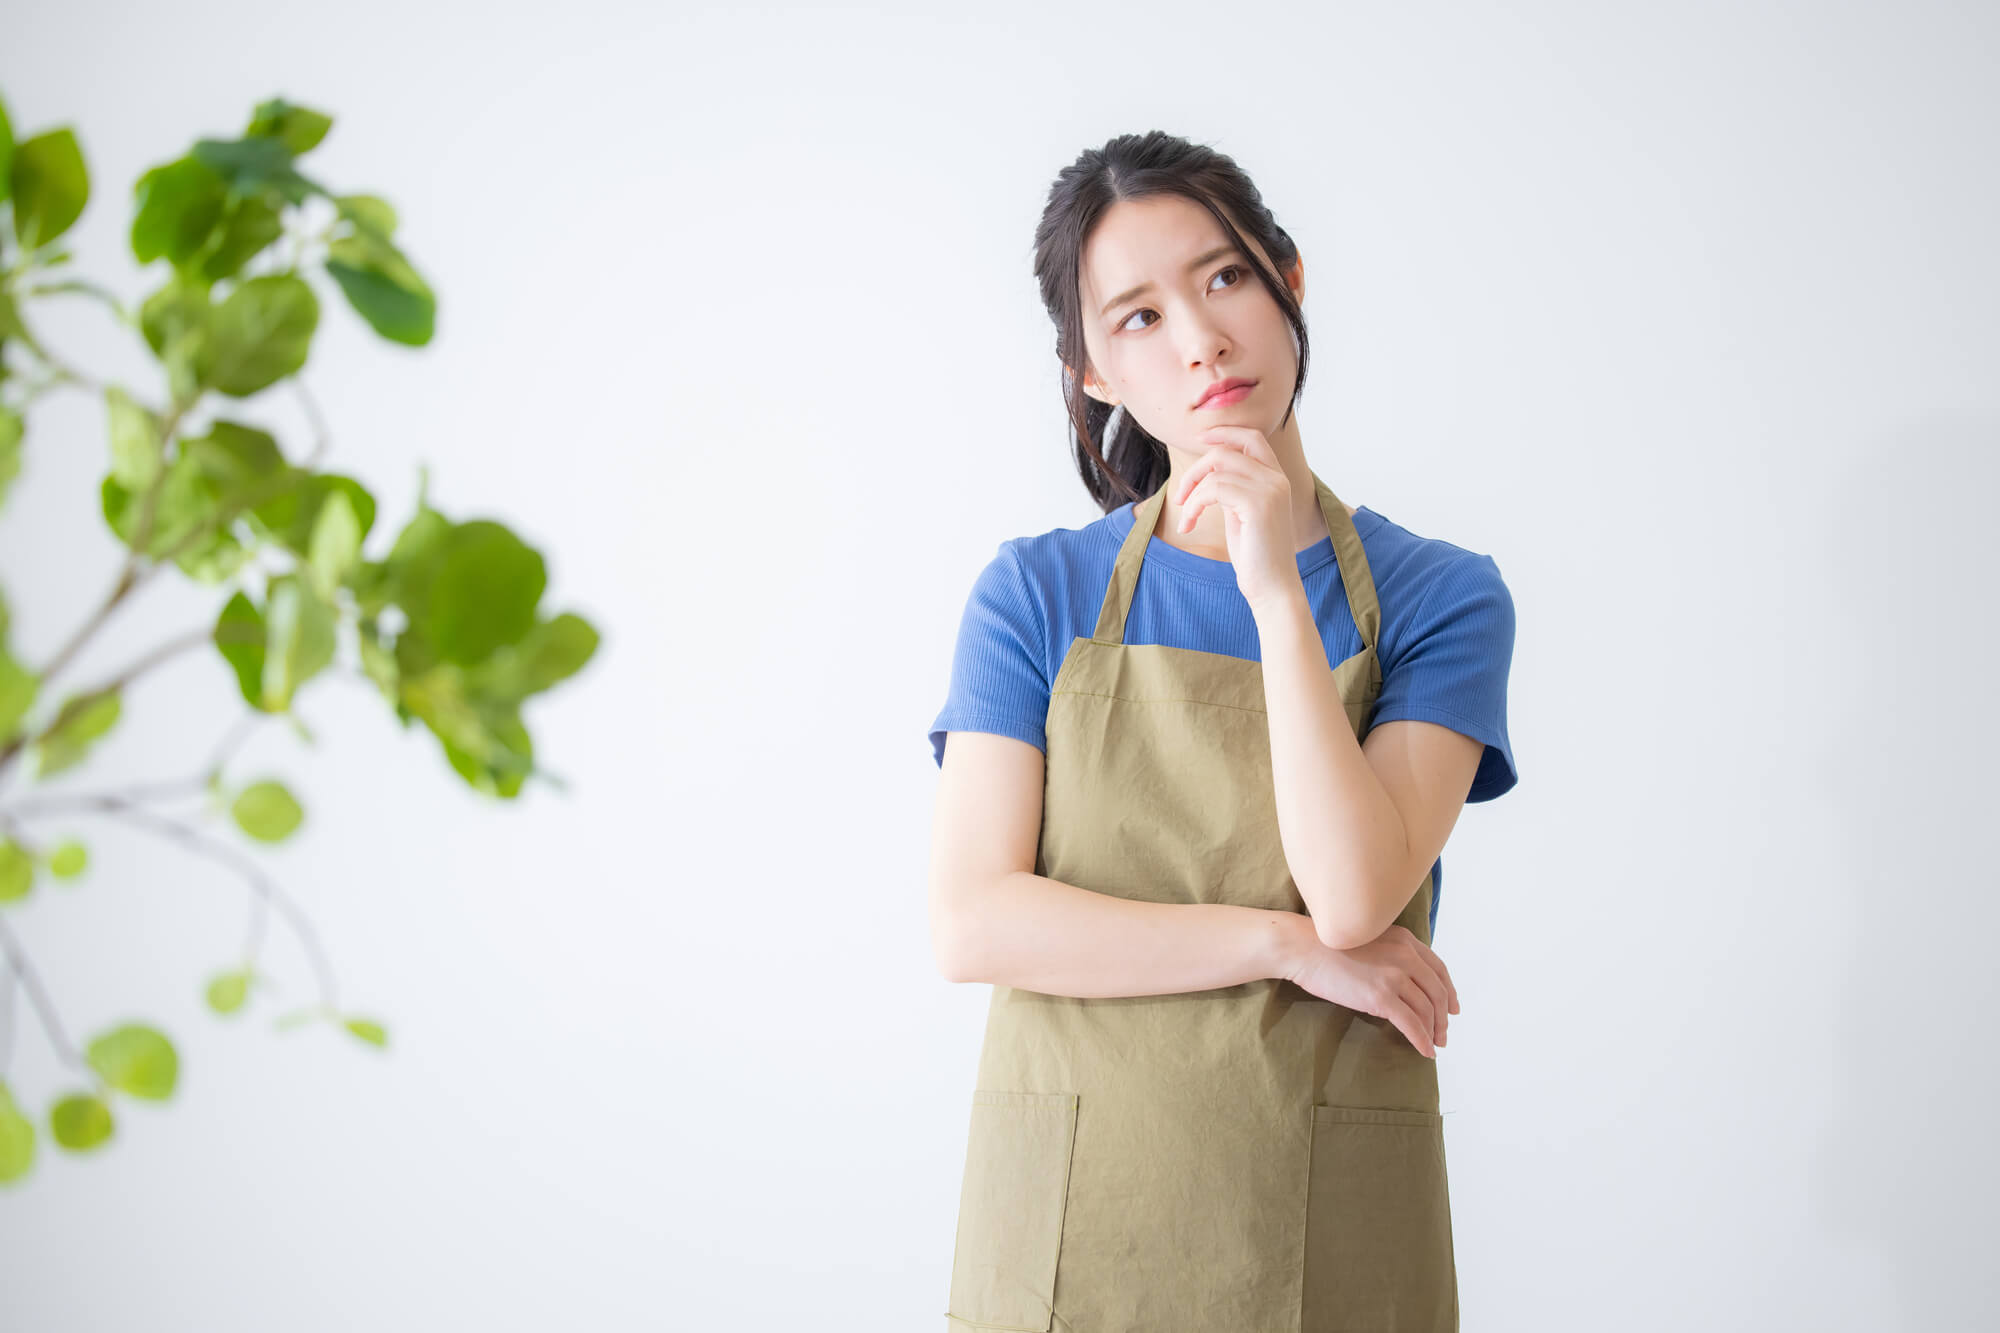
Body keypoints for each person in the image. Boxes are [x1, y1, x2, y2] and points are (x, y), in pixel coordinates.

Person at [925, 131, 1517, 1333]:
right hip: (1071, 1233)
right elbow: (971, 919)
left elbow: (1353, 896)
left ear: (1287, 280)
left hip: (1326, 1223)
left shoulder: (1439, 597)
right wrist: (1278, 948)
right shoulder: (1032, 594)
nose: (1198, 338)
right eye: (1136, 317)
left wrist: (1275, 594)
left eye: (1223, 278)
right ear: (1091, 372)